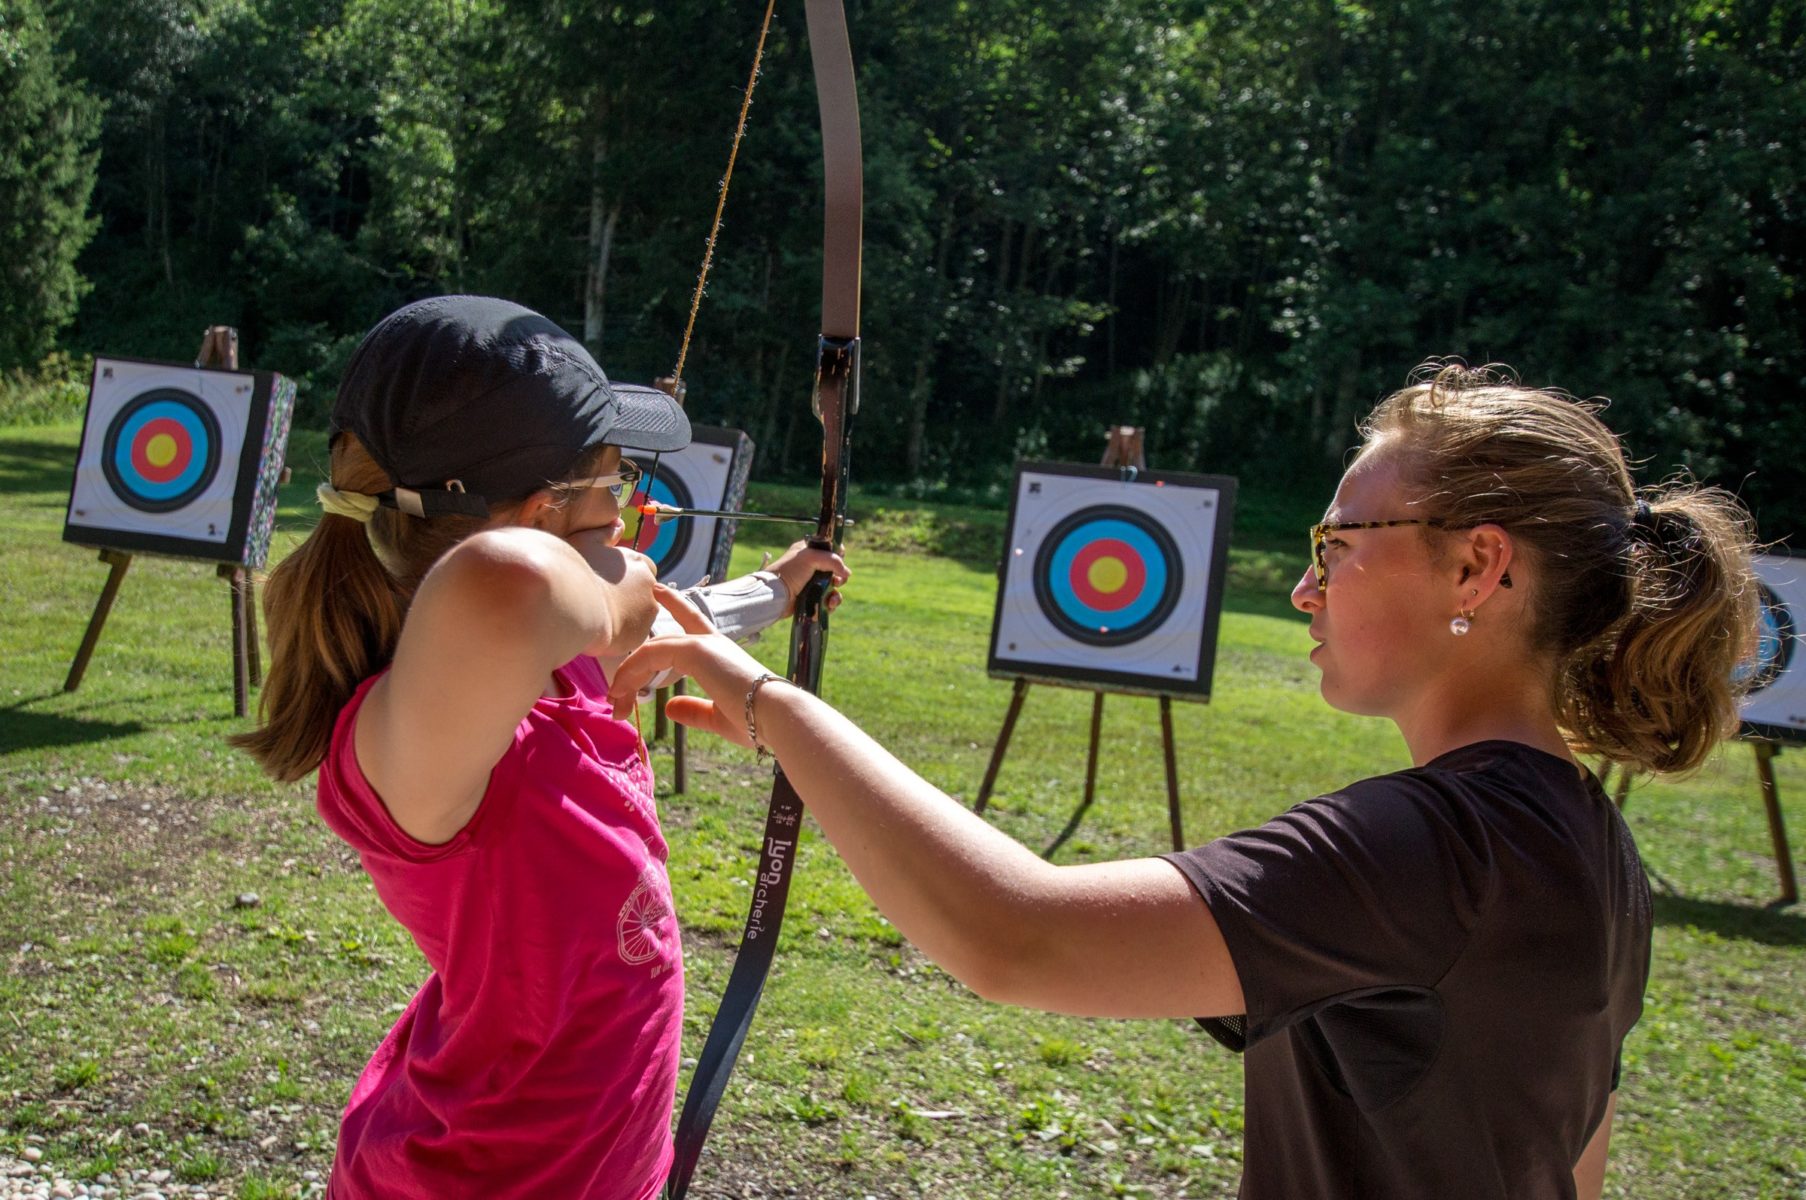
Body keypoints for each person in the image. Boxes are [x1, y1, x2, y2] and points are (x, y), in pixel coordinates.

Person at [607, 362, 1758, 1200]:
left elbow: (1017, 935)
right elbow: (1572, 1168)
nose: (1308, 591)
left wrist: (774, 704)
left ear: (1478, 564)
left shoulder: (1438, 846)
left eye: (1338, 547)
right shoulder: (1589, 845)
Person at [231, 295, 847, 1200]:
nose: (634, 519)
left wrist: (774, 588)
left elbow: (664, 619)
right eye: (615, 489)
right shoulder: (406, 742)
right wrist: (615, 588)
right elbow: (505, 584)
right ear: (536, 511)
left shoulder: (550, 663)